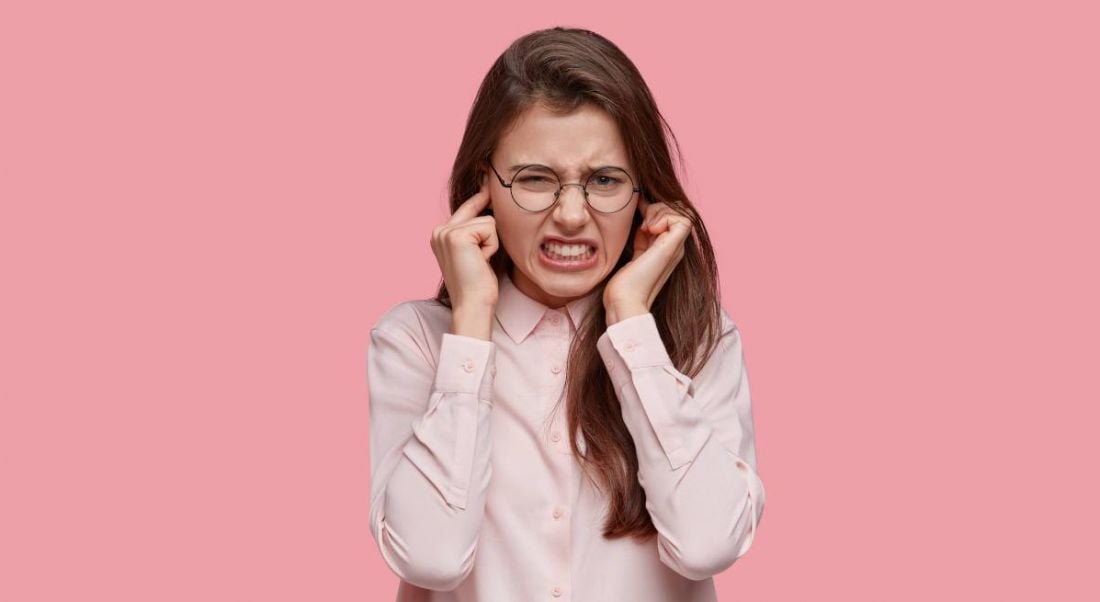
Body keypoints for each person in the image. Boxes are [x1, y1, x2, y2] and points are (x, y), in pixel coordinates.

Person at [367, 26, 766, 602]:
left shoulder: (697, 338)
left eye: (604, 180)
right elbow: (430, 558)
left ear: (642, 194)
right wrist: (473, 324)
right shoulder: (416, 343)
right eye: (535, 179)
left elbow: (709, 544)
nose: (573, 215)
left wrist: (631, 323)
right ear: (485, 184)